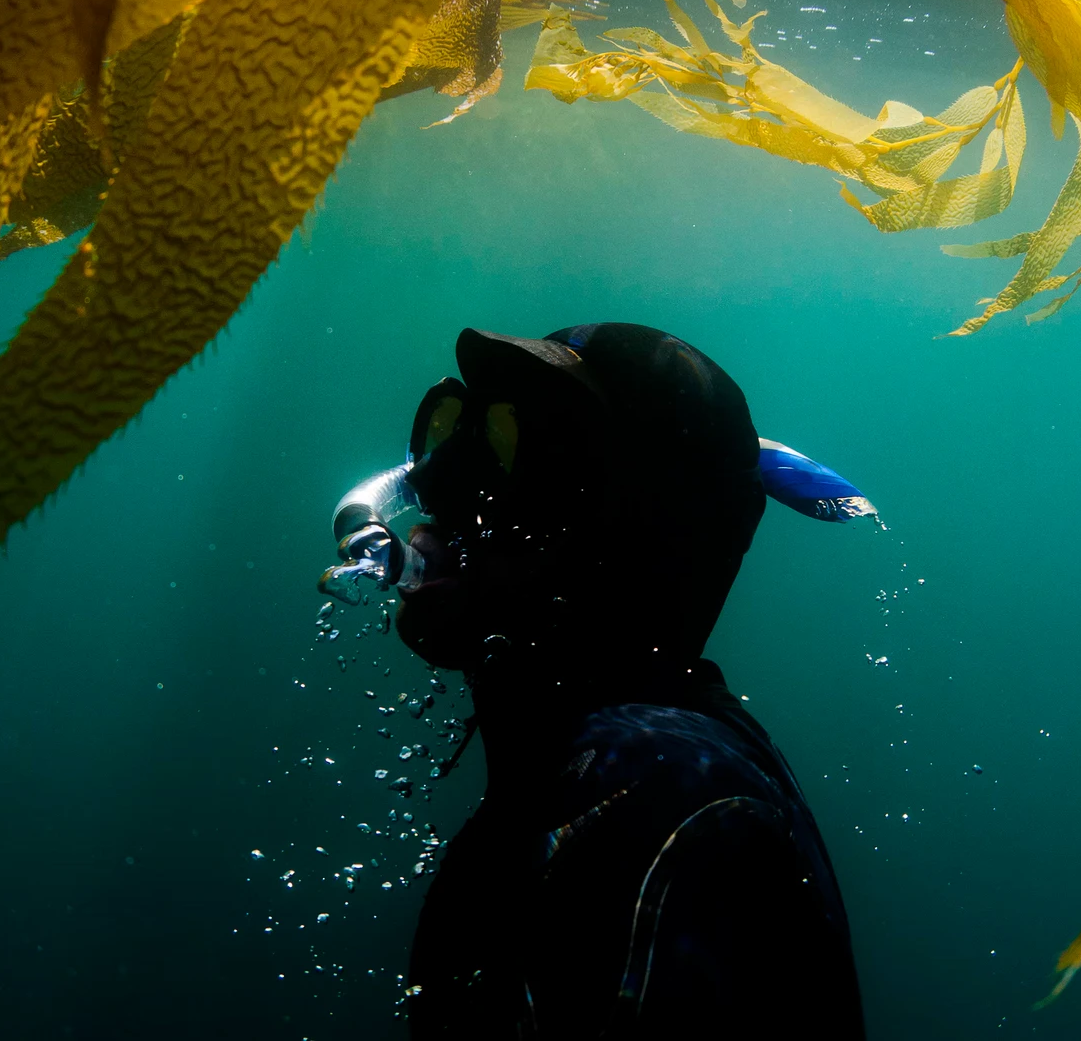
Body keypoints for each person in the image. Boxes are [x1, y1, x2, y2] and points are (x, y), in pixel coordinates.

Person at [338, 323, 868, 1039]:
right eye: (451, 426)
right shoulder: (616, 768)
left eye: (512, 445)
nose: (439, 483)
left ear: (639, 533)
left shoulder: (650, 788)